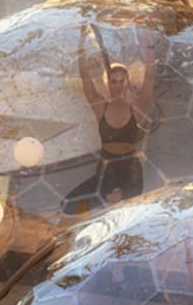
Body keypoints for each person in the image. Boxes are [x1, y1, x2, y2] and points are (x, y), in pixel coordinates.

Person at [62, 26, 155, 215]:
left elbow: (150, 76)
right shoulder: (100, 107)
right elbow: (85, 78)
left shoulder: (137, 108)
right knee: (77, 206)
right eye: (114, 81)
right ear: (108, 84)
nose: (118, 85)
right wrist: (81, 44)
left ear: (127, 82)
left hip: (130, 168)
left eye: (122, 80)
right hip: (107, 166)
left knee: (128, 211)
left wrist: (149, 44)